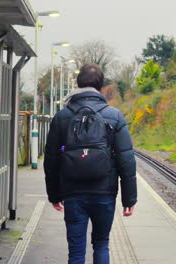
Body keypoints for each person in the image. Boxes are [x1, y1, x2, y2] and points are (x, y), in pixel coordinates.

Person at [44, 64, 137, 264]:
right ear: (101, 87)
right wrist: (129, 199)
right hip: (104, 192)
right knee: (101, 243)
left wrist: (54, 194)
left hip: (73, 193)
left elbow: (51, 159)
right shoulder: (115, 116)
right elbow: (126, 160)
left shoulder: (62, 117)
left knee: (76, 251)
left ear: (78, 84)